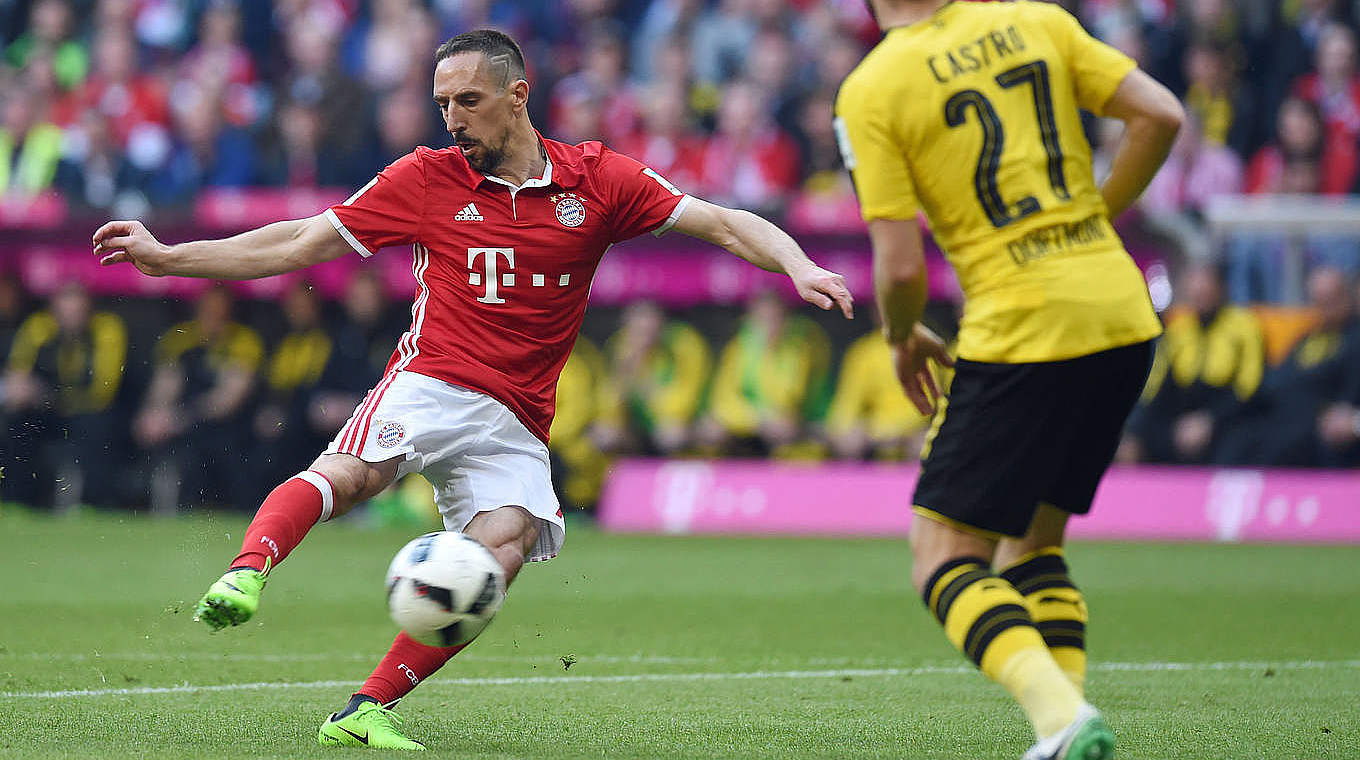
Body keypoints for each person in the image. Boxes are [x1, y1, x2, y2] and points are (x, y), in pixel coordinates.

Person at [91, 29, 852, 751]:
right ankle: (247, 570)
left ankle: (365, 711)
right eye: (442, 104)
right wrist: (170, 258)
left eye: (468, 101)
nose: (452, 119)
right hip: (434, 380)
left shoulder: (598, 178)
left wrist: (798, 266)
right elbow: (299, 240)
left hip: (518, 416)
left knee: (505, 547)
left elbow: (722, 223)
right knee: (355, 474)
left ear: (518, 95)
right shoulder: (424, 177)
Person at [835, 2, 1182, 759]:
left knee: (944, 558)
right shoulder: (1036, 19)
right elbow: (1160, 114)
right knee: (1033, 545)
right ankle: (1066, 727)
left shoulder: (873, 86)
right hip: (1121, 313)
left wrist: (899, 336)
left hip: (1023, 325)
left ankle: (1062, 718)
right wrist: (1093, 215)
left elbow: (898, 267)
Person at [1122, 264, 1264, 465]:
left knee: (1241, 442)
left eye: (1206, 286)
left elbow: (1250, 386)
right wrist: (1134, 432)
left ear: (1222, 289)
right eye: (1195, 287)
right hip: (1182, 417)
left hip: (1226, 416)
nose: (1200, 293)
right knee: (1136, 439)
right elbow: (1155, 387)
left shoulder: (1244, 327)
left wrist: (1209, 420)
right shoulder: (1179, 330)